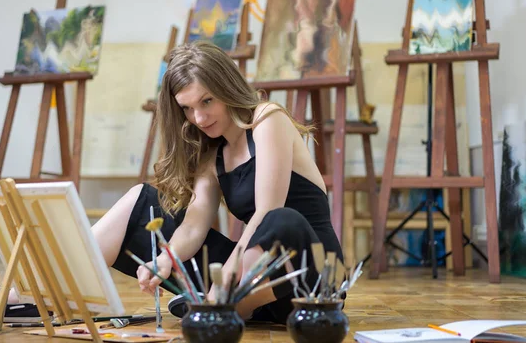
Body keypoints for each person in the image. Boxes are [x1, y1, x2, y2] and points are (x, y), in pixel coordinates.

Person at [92, 41, 344, 324]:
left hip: (309, 279)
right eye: (187, 108)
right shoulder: (212, 156)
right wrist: (166, 261)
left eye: (207, 101)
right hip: (253, 280)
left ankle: (213, 306)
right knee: (142, 201)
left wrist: (226, 274)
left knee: (281, 220)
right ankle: (63, 296)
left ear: (227, 88)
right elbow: (193, 227)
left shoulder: (267, 119)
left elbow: (265, 213)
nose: (198, 118)